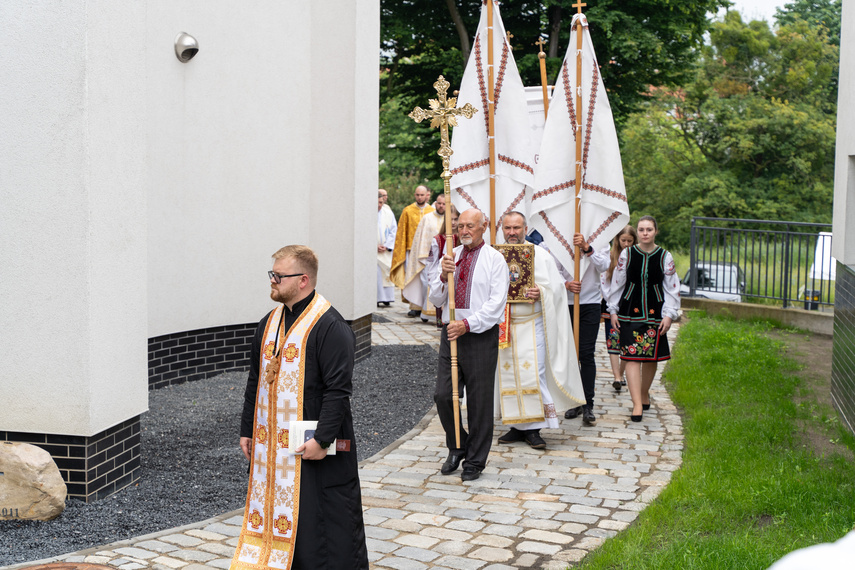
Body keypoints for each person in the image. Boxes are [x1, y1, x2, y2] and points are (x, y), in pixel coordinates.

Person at [233, 245, 368, 570]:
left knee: (322, 526)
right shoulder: (269, 323)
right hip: (274, 450)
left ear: (303, 280)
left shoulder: (330, 327)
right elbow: (256, 379)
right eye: (272, 274)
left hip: (313, 446)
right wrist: (248, 430)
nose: (273, 281)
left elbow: (339, 391)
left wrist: (322, 440)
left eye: (279, 276)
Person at [429, 208, 509, 482]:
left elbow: (496, 304)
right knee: (443, 395)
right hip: (450, 333)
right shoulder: (450, 257)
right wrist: (442, 276)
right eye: (460, 226)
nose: (463, 231)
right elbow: (436, 299)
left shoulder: (495, 260)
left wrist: (468, 323)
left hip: (479, 335)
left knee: (479, 401)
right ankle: (458, 445)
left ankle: (475, 461)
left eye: (469, 226)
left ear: (483, 226)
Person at [494, 212, 586, 449]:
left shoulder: (540, 255)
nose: (512, 232)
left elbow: (556, 289)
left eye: (516, 227)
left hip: (533, 322)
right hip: (505, 325)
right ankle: (516, 426)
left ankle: (534, 429)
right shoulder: (494, 255)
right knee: (508, 375)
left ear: (525, 228)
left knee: (534, 373)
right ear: (501, 228)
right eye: (507, 228)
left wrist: (540, 292)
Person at [608, 216, 680, 422]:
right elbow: (617, 283)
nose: (645, 233)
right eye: (641, 229)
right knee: (631, 356)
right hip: (629, 310)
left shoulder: (665, 256)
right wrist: (613, 309)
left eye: (649, 229)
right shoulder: (627, 255)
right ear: (637, 232)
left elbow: (672, 287)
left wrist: (669, 314)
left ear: (656, 231)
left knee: (650, 357)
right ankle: (637, 404)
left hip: (655, 312)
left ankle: (644, 392)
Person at [561, 232, 612, 426]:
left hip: (590, 302)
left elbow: (604, 265)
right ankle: (573, 400)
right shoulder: (559, 235)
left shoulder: (601, 238)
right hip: (566, 301)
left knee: (586, 353)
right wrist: (565, 283)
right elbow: (552, 269)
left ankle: (588, 404)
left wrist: (588, 248)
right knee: (570, 354)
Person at [602, 225, 637, 391]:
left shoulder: (637, 256)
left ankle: (622, 373)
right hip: (612, 303)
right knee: (613, 339)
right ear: (617, 240)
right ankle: (616, 376)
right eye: (624, 240)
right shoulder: (611, 257)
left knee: (627, 339)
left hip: (630, 304)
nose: (627, 244)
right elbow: (605, 281)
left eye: (630, 241)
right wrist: (611, 302)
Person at [390, 185, 435, 317]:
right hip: (411, 250)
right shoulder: (408, 211)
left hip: (428, 251)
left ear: (427, 195)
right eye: (417, 195)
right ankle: (415, 306)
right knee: (414, 278)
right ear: (414, 195)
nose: (420, 197)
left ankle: (427, 306)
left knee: (427, 279)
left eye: (422, 195)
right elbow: (401, 232)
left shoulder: (432, 211)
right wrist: (401, 250)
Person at [404, 194, 446, 322]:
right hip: (428, 258)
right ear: (435, 203)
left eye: (444, 204)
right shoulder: (427, 218)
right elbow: (419, 238)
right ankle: (425, 313)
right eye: (439, 203)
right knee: (427, 283)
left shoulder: (451, 219)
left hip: (444, 258)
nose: (441, 206)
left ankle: (441, 315)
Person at [424, 203, 460, 327]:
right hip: (442, 276)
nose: (454, 223)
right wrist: (434, 279)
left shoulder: (463, 238)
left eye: (456, 219)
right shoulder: (438, 239)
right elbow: (432, 262)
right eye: (451, 219)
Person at [377, 189, 397, 307]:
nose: (379, 205)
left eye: (381, 202)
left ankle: (387, 298)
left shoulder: (388, 213)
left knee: (386, 273)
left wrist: (387, 245)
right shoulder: (368, 213)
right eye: (377, 203)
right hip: (374, 252)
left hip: (385, 250)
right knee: (377, 275)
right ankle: (377, 297)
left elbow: (393, 230)